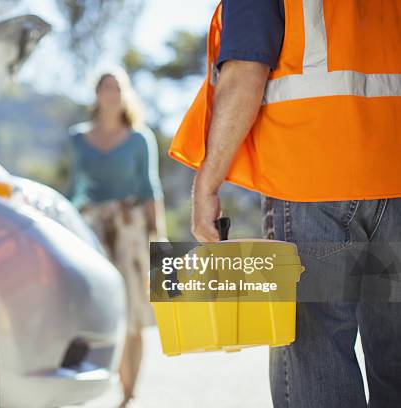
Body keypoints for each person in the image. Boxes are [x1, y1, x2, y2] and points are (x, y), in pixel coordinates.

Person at [170, 1, 401, 407]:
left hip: (312, 180)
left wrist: (207, 183)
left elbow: (245, 73)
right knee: (395, 352)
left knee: (317, 349)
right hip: (393, 174)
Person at [67, 68, 167, 408]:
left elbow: (150, 187)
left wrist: (161, 240)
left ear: (125, 94)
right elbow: (76, 188)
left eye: (118, 87)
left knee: (134, 311)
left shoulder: (140, 138)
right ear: (96, 94)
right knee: (99, 309)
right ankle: (101, 382)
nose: (112, 93)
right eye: (106, 87)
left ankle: (128, 392)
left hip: (131, 230)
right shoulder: (78, 138)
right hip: (93, 230)